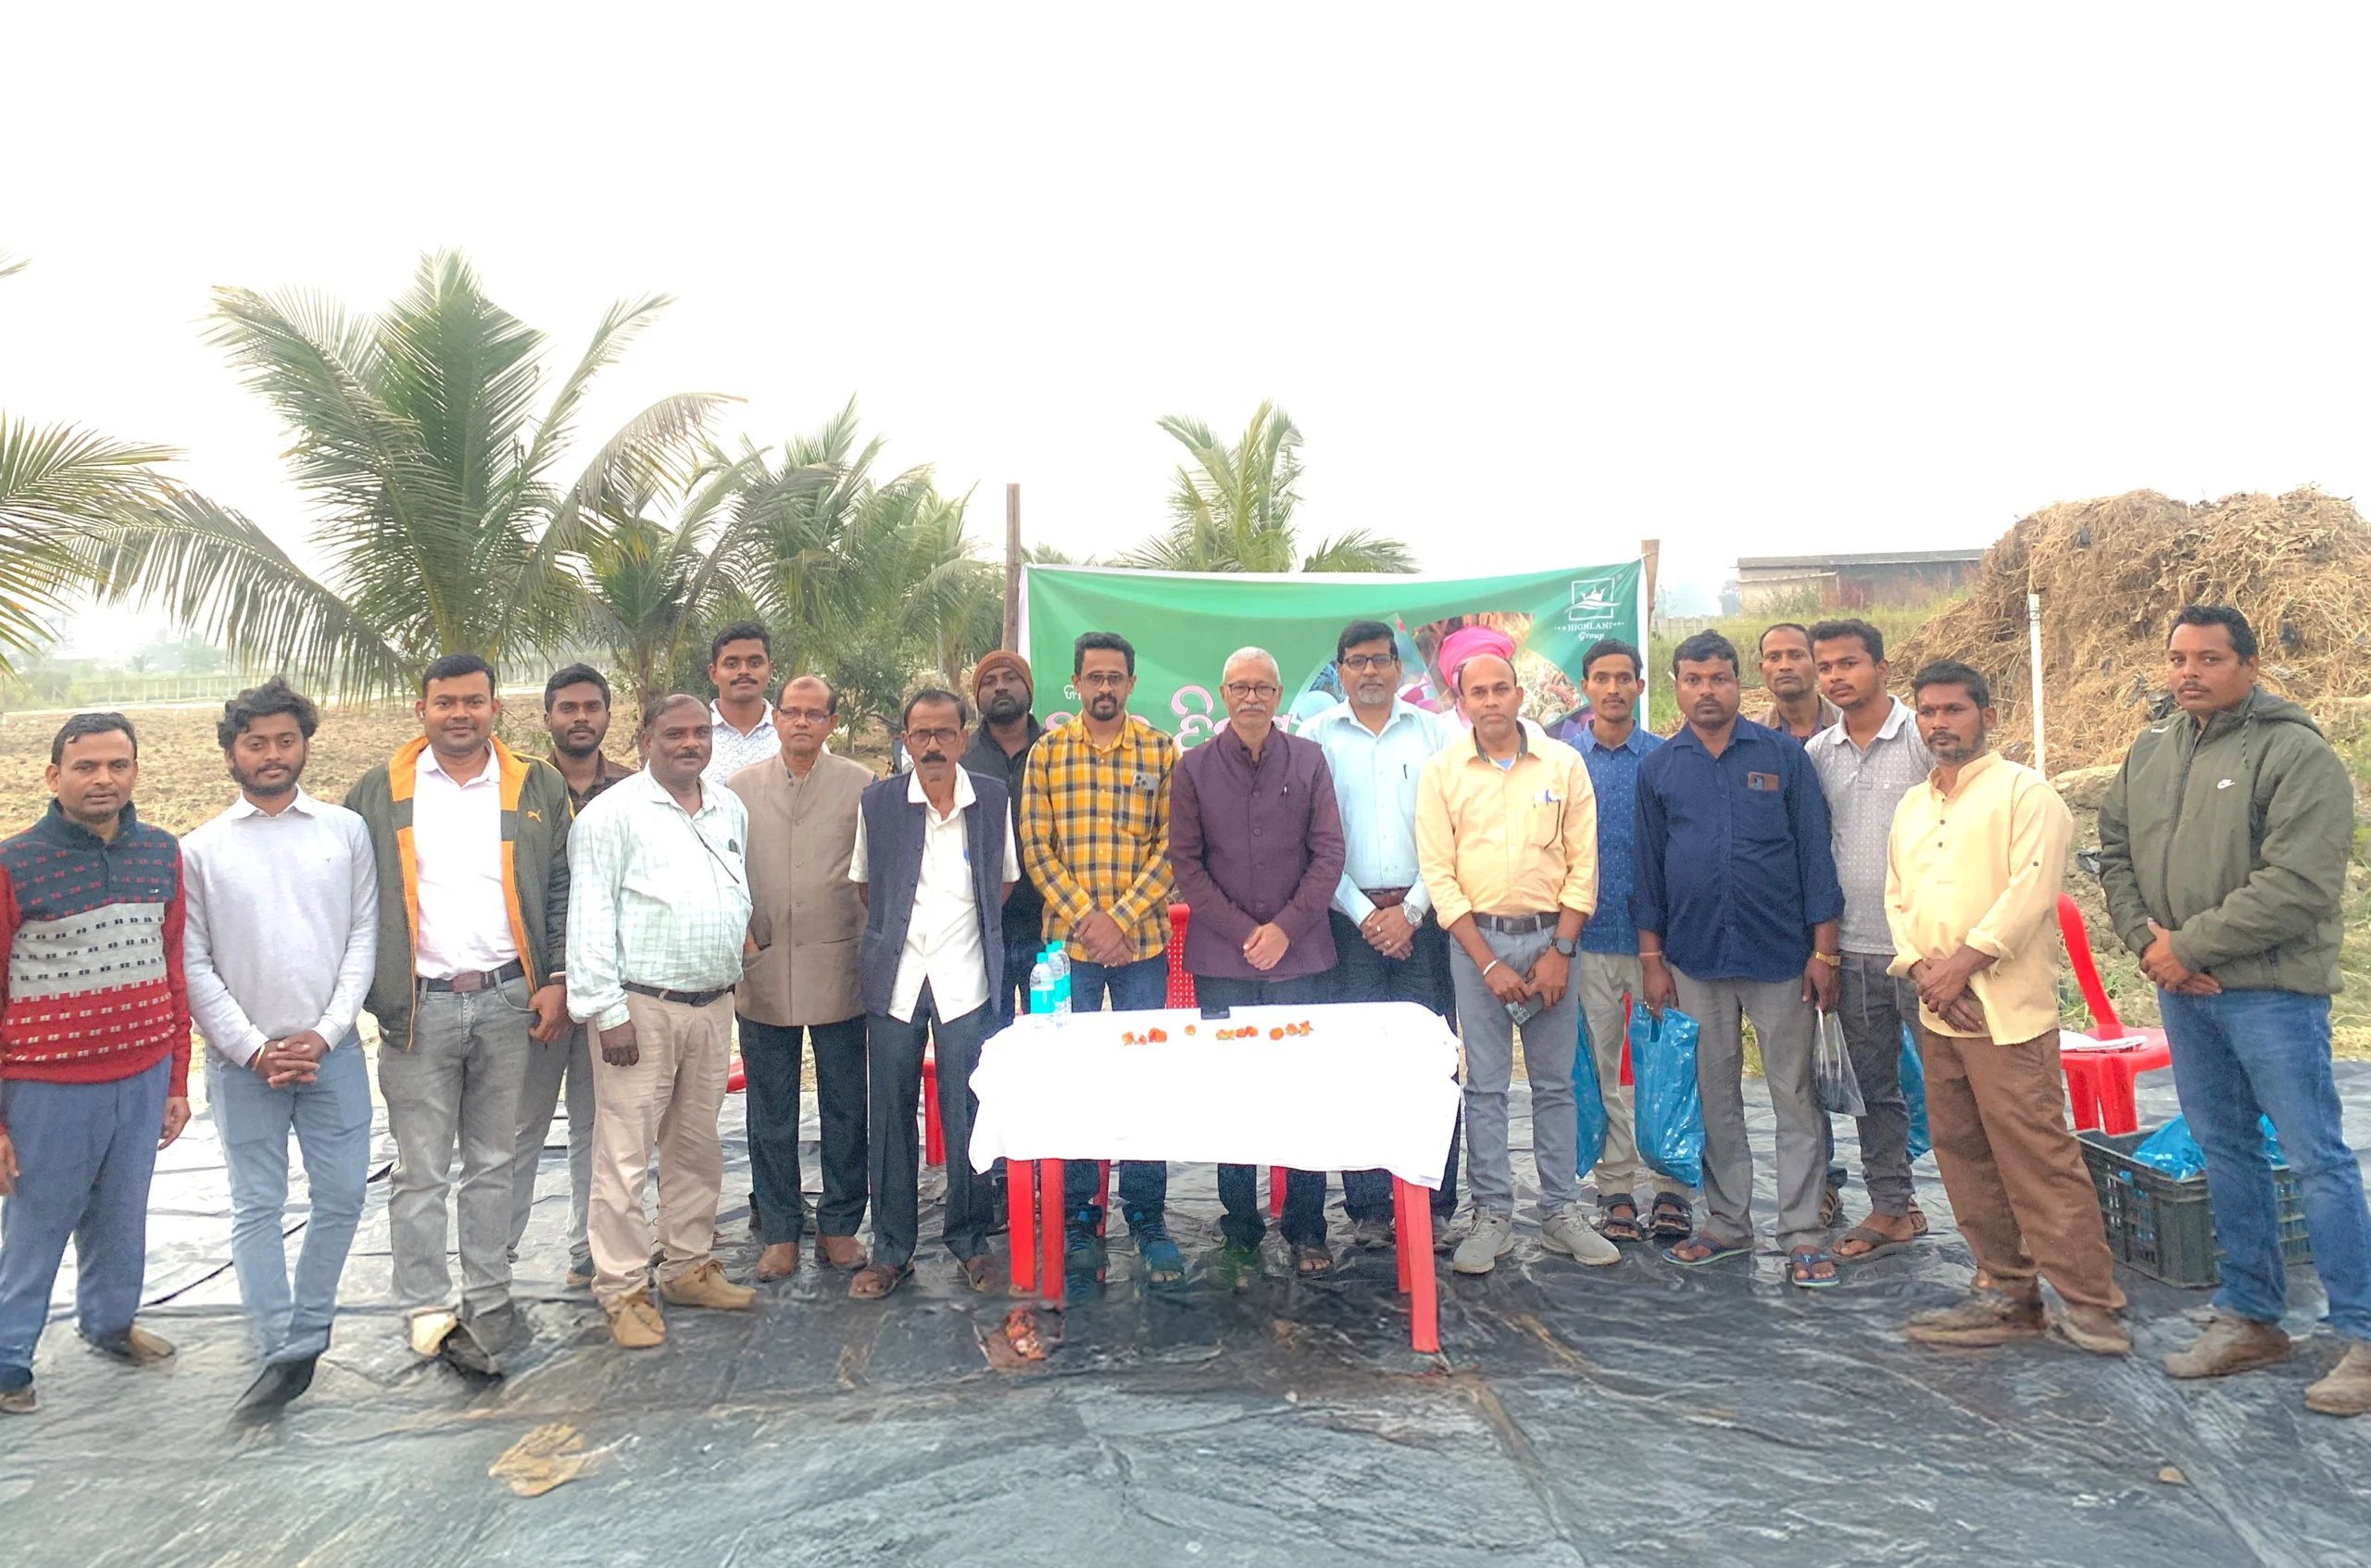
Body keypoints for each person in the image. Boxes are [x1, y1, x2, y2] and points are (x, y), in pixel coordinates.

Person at [2100, 606, 2371, 1415]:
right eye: (2178, 657)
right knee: (2225, 1151)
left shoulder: (2295, 752)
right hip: (2185, 991)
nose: (2189, 671)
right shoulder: (2152, 749)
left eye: (2210, 658)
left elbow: (2299, 883)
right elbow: (2114, 851)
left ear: (2250, 666)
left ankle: (2362, 1334)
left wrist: (2189, 948)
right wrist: (2149, 946)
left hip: (2270, 993)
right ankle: (2252, 1315)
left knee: (2315, 1158)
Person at [1883, 661, 2128, 1354]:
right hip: (1939, 1012)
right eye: (1929, 711)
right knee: (1963, 1156)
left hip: (2005, 1014)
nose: (1940, 723)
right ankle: (2008, 1294)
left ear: (1986, 716)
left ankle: (2093, 1306)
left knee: (2037, 1158)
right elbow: (1897, 900)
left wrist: (1962, 967)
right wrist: (1925, 971)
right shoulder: (1913, 805)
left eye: (1954, 709)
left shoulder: (2026, 794)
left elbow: (2030, 893)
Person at [345, 652, 572, 1374]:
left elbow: (561, 885)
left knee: (495, 1159)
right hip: (420, 1006)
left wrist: (556, 978)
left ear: (495, 708)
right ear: (423, 710)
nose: (460, 713)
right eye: (445, 702)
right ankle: (425, 1305)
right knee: (419, 1168)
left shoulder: (536, 784)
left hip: (510, 1000)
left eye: (474, 701)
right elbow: (353, 898)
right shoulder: (378, 790)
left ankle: (490, 1295)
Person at [182, 679, 378, 1415]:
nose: (271, 754)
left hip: (334, 1055)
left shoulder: (345, 832)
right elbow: (193, 962)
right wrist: (254, 1048)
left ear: (304, 745)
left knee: (344, 1192)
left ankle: (309, 1327)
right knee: (257, 1203)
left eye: (285, 740)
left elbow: (363, 936)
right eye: (256, 742)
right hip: (243, 1066)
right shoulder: (199, 849)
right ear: (231, 753)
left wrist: (324, 1034)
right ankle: (280, 1347)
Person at [1635, 631, 1844, 1287]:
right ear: (1676, 687)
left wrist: (1825, 952)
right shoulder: (1660, 768)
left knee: (1795, 1095)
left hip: (1781, 955)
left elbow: (1815, 856)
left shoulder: (1783, 757)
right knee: (1715, 1094)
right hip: (1694, 957)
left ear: (1738, 683)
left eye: (1719, 678)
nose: (1707, 691)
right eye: (1693, 679)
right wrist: (1652, 959)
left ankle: (1803, 1232)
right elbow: (1648, 870)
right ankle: (1727, 1223)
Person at [0, 715, 192, 1417]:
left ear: (135, 770)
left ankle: (109, 1323)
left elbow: (171, 965)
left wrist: (176, 1079)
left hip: (142, 1074)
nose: (103, 779)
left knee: (121, 1214)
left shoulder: (161, 853)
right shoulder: (14, 863)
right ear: (55, 776)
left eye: (118, 764)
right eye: (85, 766)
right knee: (38, 1223)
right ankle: (8, 1358)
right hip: (45, 1085)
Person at [568, 695, 759, 1348]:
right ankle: (621, 1288)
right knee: (624, 1155)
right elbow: (589, 917)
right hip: (639, 1008)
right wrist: (607, 1012)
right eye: (674, 733)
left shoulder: (727, 807)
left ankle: (686, 1266)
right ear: (646, 738)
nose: (690, 743)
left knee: (697, 1145)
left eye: (700, 732)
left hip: (711, 1003)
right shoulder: (611, 815)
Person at [1416, 650, 1610, 1276]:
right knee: (1485, 1086)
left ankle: (1560, 1211)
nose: (1491, 700)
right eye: (1478, 692)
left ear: (1519, 694)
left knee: (1556, 1084)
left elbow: (1583, 864)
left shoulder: (1563, 763)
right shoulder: (1443, 772)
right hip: (1477, 943)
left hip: (1554, 942)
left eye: (1501, 688)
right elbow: (1439, 875)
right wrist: (1486, 964)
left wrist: (1561, 951)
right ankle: (1492, 1214)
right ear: (1461, 702)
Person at [1172, 647, 1348, 1281]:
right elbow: (1186, 863)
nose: (1252, 697)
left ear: (1278, 697)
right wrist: (1248, 932)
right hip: (1224, 957)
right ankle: (1240, 1226)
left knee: (1303, 1092)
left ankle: (1307, 1225)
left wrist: (1285, 930)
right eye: (1240, 687)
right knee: (1234, 1092)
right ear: (1223, 694)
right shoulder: (1193, 768)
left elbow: (1328, 854)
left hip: (1301, 956)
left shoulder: (1308, 759)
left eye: (1263, 688)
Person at [1019, 630, 1179, 1286]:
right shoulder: (1048, 753)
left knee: (1145, 1078)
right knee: (1074, 1079)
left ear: (1131, 684)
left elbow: (1172, 846)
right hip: (1068, 953)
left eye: (1116, 677)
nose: (1105, 687)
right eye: (1095, 677)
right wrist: (1091, 920)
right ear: (1077, 683)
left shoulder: (1160, 751)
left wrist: (1122, 918)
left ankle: (1146, 1213)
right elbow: (1036, 848)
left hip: (1141, 946)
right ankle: (1080, 1215)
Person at [850, 690, 1017, 1300]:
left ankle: (971, 1241)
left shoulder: (991, 799)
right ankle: (891, 1251)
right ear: (905, 739)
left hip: (966, 976)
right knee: (890, 1113)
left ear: (963, 737)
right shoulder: (879, 802)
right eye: (921, 733)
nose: (932, 745)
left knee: (967, 1108)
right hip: (896, 978)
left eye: (945, 733)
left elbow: (1001, 883)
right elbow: (868, 886)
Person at [1308, 620, 1462, 1249]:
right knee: (1359, 1063)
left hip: (1425, 920)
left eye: (1380, 659)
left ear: (1400, 668)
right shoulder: (1315, 738)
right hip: (1346, 925)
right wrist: (1362, 912)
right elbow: (1311, 839)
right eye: (1357, 661)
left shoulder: (1437, 734)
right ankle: (1369, 1206)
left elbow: (1455, 830)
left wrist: (1413, 911)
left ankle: (1435, 1204)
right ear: (1340, 671)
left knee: (1431, 1061)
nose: (1369, 671)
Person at [733, 675, 873, 1279]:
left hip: (839, 963)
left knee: (845, 1104)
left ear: (832, 723)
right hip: (764, 964)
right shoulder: (740, 788)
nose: (801, 723)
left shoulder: (862, 785)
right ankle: (781, 1230)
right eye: (791, 712)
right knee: (771, 1109)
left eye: (815, 714)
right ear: (776, 717)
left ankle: (839, 1225)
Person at [1804, 619, 1932, 1256]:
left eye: (1849, 663)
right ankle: (1891, 1208)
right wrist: (1823, 950)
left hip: (1928, 952)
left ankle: (1996, 1222)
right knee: (1875, 1092)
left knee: (1956, 1090)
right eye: (1826, 667)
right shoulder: (1817, 753)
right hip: (1852, 948)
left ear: (1881, 667)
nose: (1836, 677)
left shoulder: (1923, 738)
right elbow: (1815, 851)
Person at [508, 663, 636, 1292]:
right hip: (538, 992)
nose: (580, 717)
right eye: (567, 707)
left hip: (612, 990)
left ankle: (589, 1252)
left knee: (600, 1126)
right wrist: (550, 980)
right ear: (548, 717)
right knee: (520, 1127)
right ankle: (495, 1254)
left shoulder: (636, 791)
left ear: (608, 715)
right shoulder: (520, 790)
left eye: (591, 706)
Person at [1565, 637, 1691, 1247]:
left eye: (1624, 677)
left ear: (1642, 686)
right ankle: (1615, 1186)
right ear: (1585, 687)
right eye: (1601, 678)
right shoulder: (1564, 762)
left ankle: (1672, 1188)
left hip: (1660, 947)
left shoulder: (1667, 758)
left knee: (1666, 1067)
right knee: (1599, 1070)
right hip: (1587, 939)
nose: (1613, 688)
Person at [963, 651, 1048, 1030]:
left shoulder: (1057, 751)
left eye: (1010, 678)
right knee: (986, 1045)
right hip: (981, 931)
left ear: (1028, 689)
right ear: (976, 696)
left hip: (1047, 928)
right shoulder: (961, 758)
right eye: (989, 681)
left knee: (1049, 1042)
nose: (1000, 687)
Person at [704, 620, 782, 785]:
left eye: (755, 663)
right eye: (732, 664)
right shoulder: (691, 732)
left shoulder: (792, 729)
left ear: (770, 671)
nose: (743, 671)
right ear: (713, 673)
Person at [1753, 622, 1842, 741]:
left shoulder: (1848, 725)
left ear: (1816, 664)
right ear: (1762, 670)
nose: (1785, 666)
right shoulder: (1753, 738)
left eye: (1796, 656)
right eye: (1774, 658)